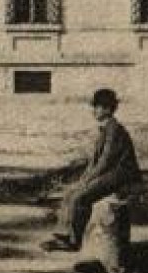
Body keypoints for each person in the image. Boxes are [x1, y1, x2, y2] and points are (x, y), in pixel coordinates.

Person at [43, 88, 142, 252]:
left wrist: (89, 180)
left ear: (108, 109)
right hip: (111, 173)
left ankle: (74, 242)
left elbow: (105, 162)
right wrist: (84, 178)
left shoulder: (115, 130)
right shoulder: (105, 129)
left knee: (81, 197)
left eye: (97, 107)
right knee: (71, 191)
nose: (94, 111)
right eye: (95, 107)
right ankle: (64, 234)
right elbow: (94, 162)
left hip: (122, 175)